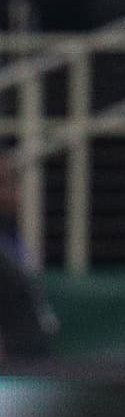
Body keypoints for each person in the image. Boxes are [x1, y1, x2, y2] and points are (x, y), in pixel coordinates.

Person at [0, 150, 57, 362]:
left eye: (12, 182)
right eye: (3, 184)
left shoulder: (12, 237)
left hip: (33, 361)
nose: (13, 192)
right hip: (12, 368)